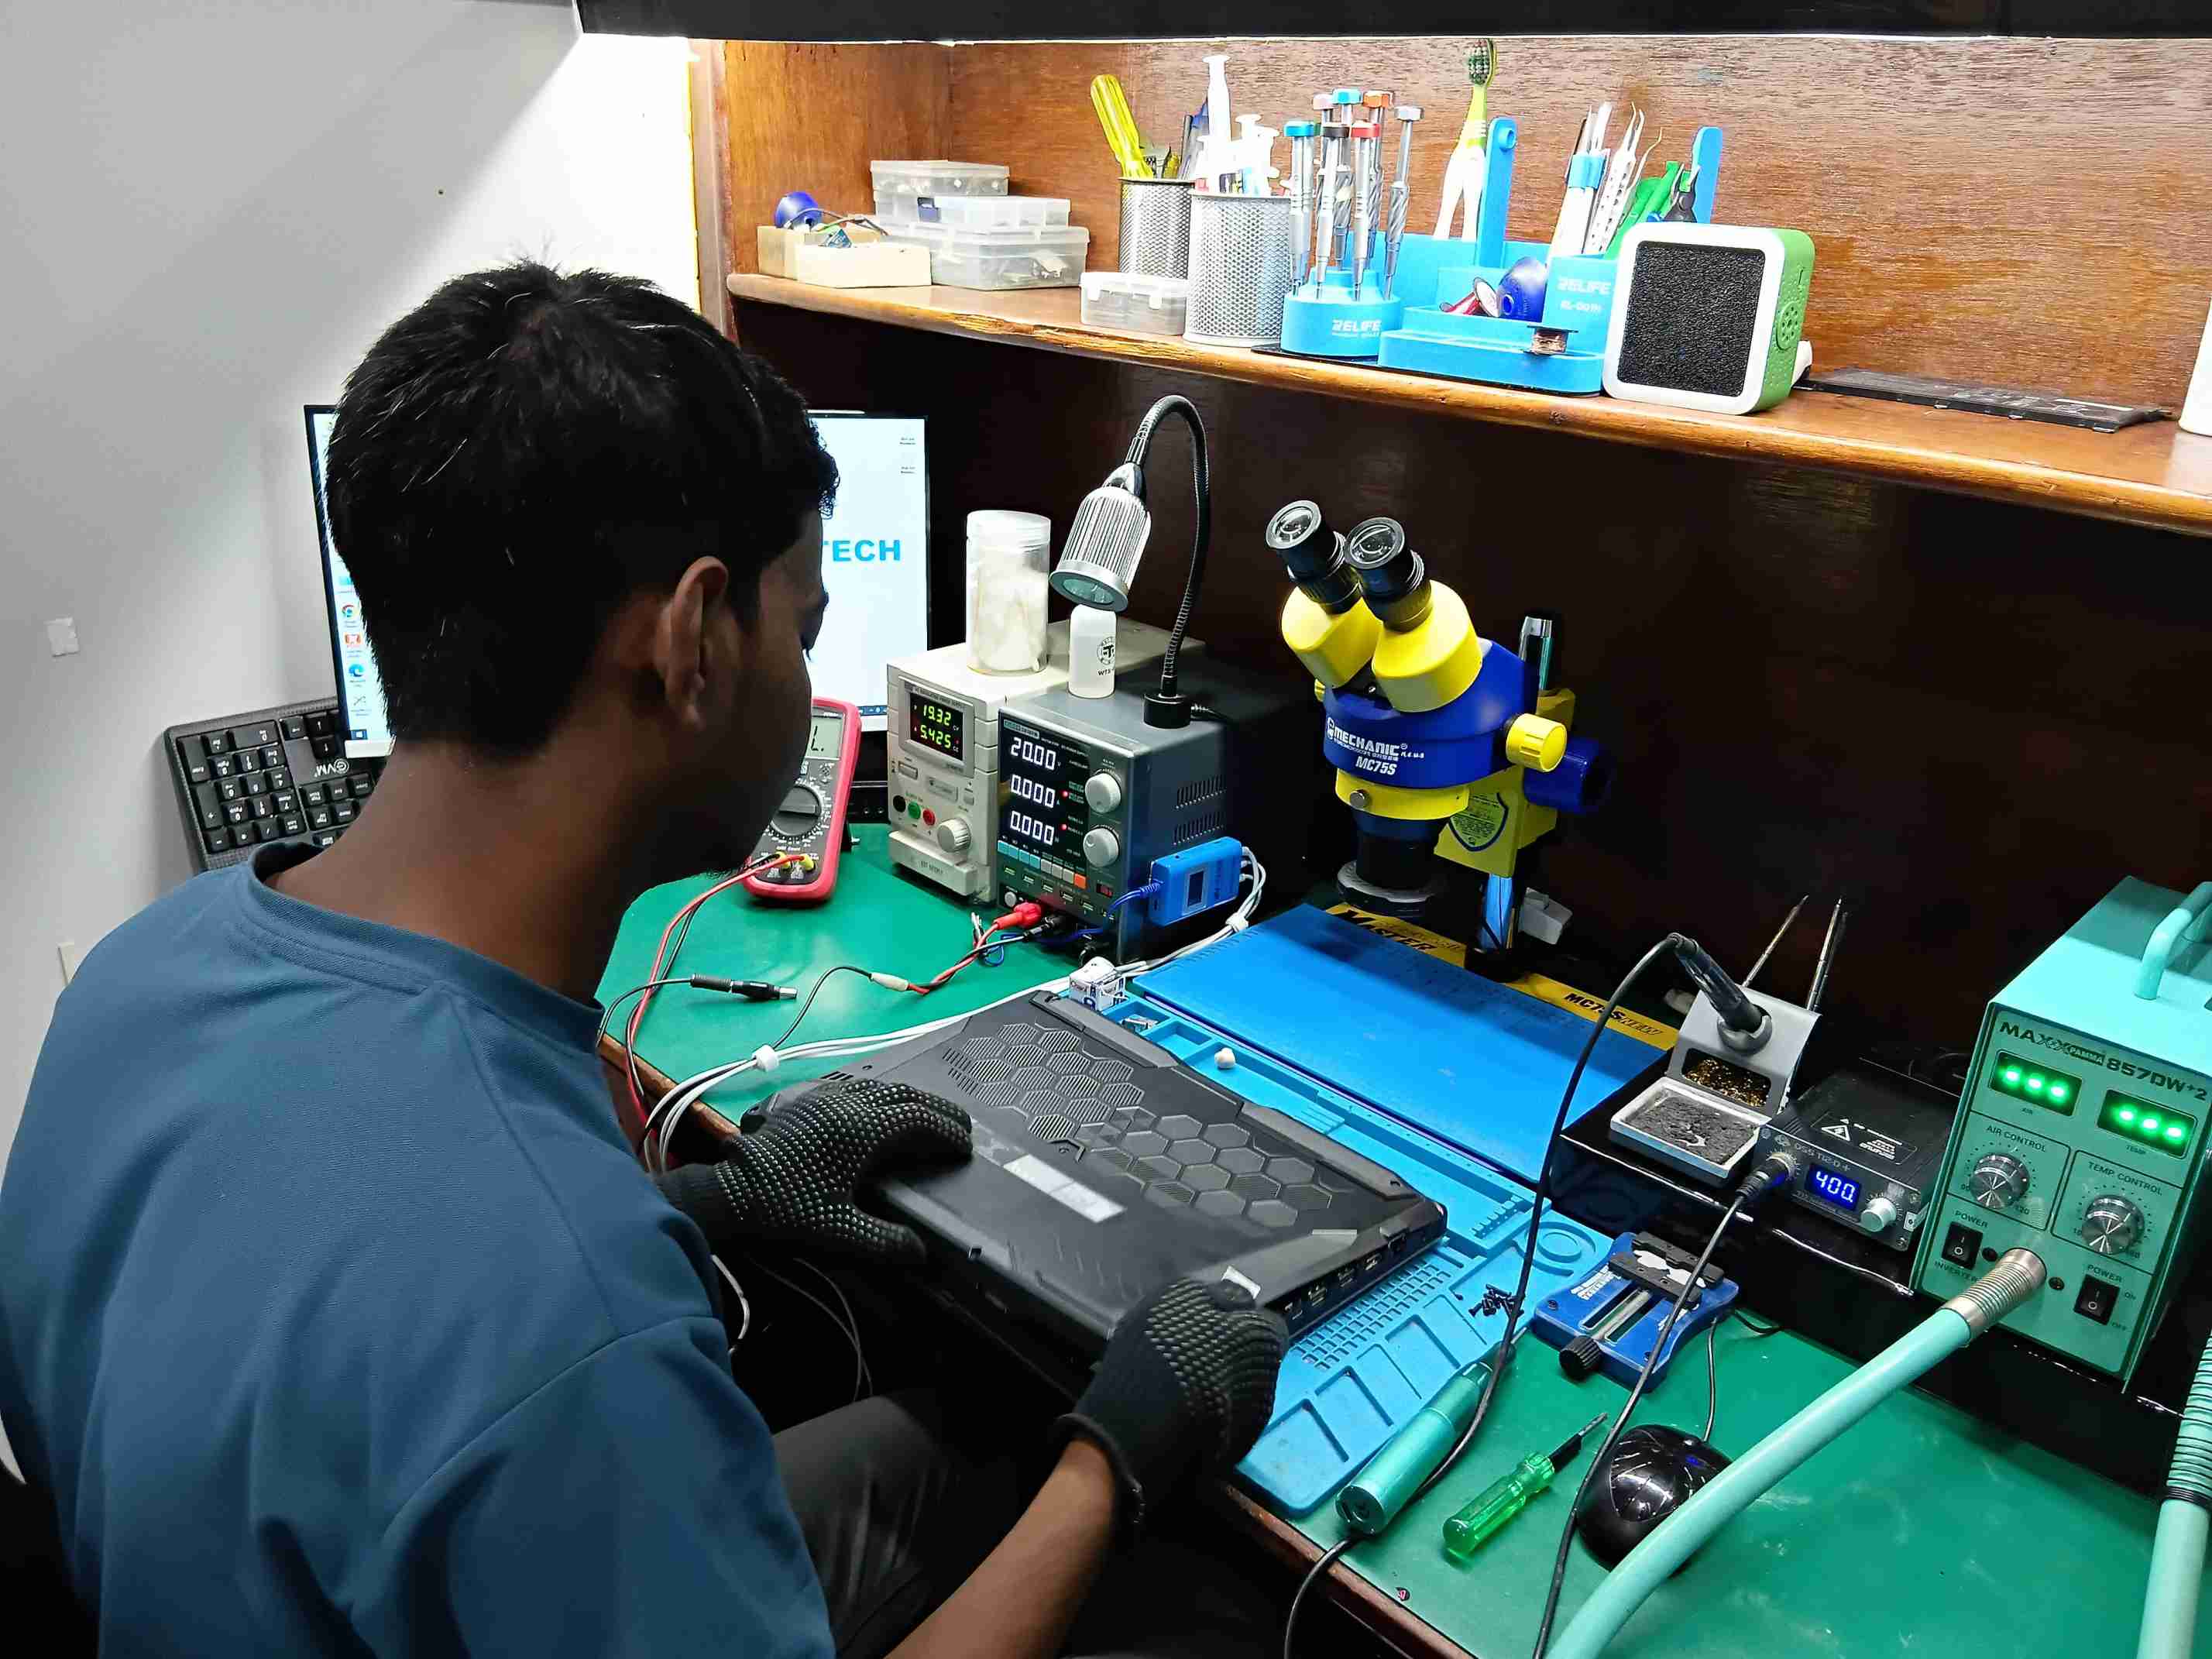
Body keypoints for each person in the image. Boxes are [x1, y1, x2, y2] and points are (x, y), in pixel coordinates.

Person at [0, 263, 1286, 1657]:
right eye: (803, 628)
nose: (810, 675)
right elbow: (508, 1308)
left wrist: (707, 1202)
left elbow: (338, 1288)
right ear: (691, 643)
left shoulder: (136, 970)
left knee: (953, 1446)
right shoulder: (569, 1317)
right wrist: (1118, 1459)